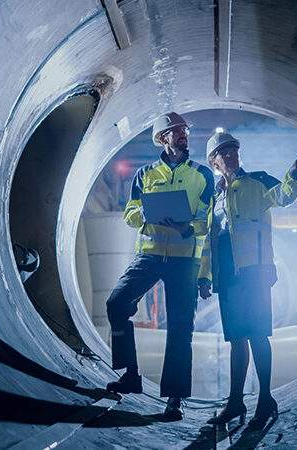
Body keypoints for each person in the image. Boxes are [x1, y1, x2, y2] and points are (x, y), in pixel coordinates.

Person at [105, 112, 214, 421]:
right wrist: (147, 217)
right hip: (150, 255)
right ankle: (131, 373)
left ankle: (175, 398)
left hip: (184, 260)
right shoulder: (144, 174)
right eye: (177, 131)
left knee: (180, 327)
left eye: (185, 131)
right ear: (163, 138)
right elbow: (129, 213)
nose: (183, 135)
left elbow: (207, 218)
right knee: (117, 303)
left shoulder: (202, 175)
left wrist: (187, 228)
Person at [199, 131, 297, 428]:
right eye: (225, 152)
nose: (232, 155)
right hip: (228, 276)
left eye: (234, 150)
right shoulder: (213, 197)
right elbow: (209, 242)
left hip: (255, 272)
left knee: (259, 335)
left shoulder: (258, 181)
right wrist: (204, 276)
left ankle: (264, 399)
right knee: (237, 340)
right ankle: (235, 402)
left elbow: (284, 195)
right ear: (214, 161)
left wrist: (294, 174)